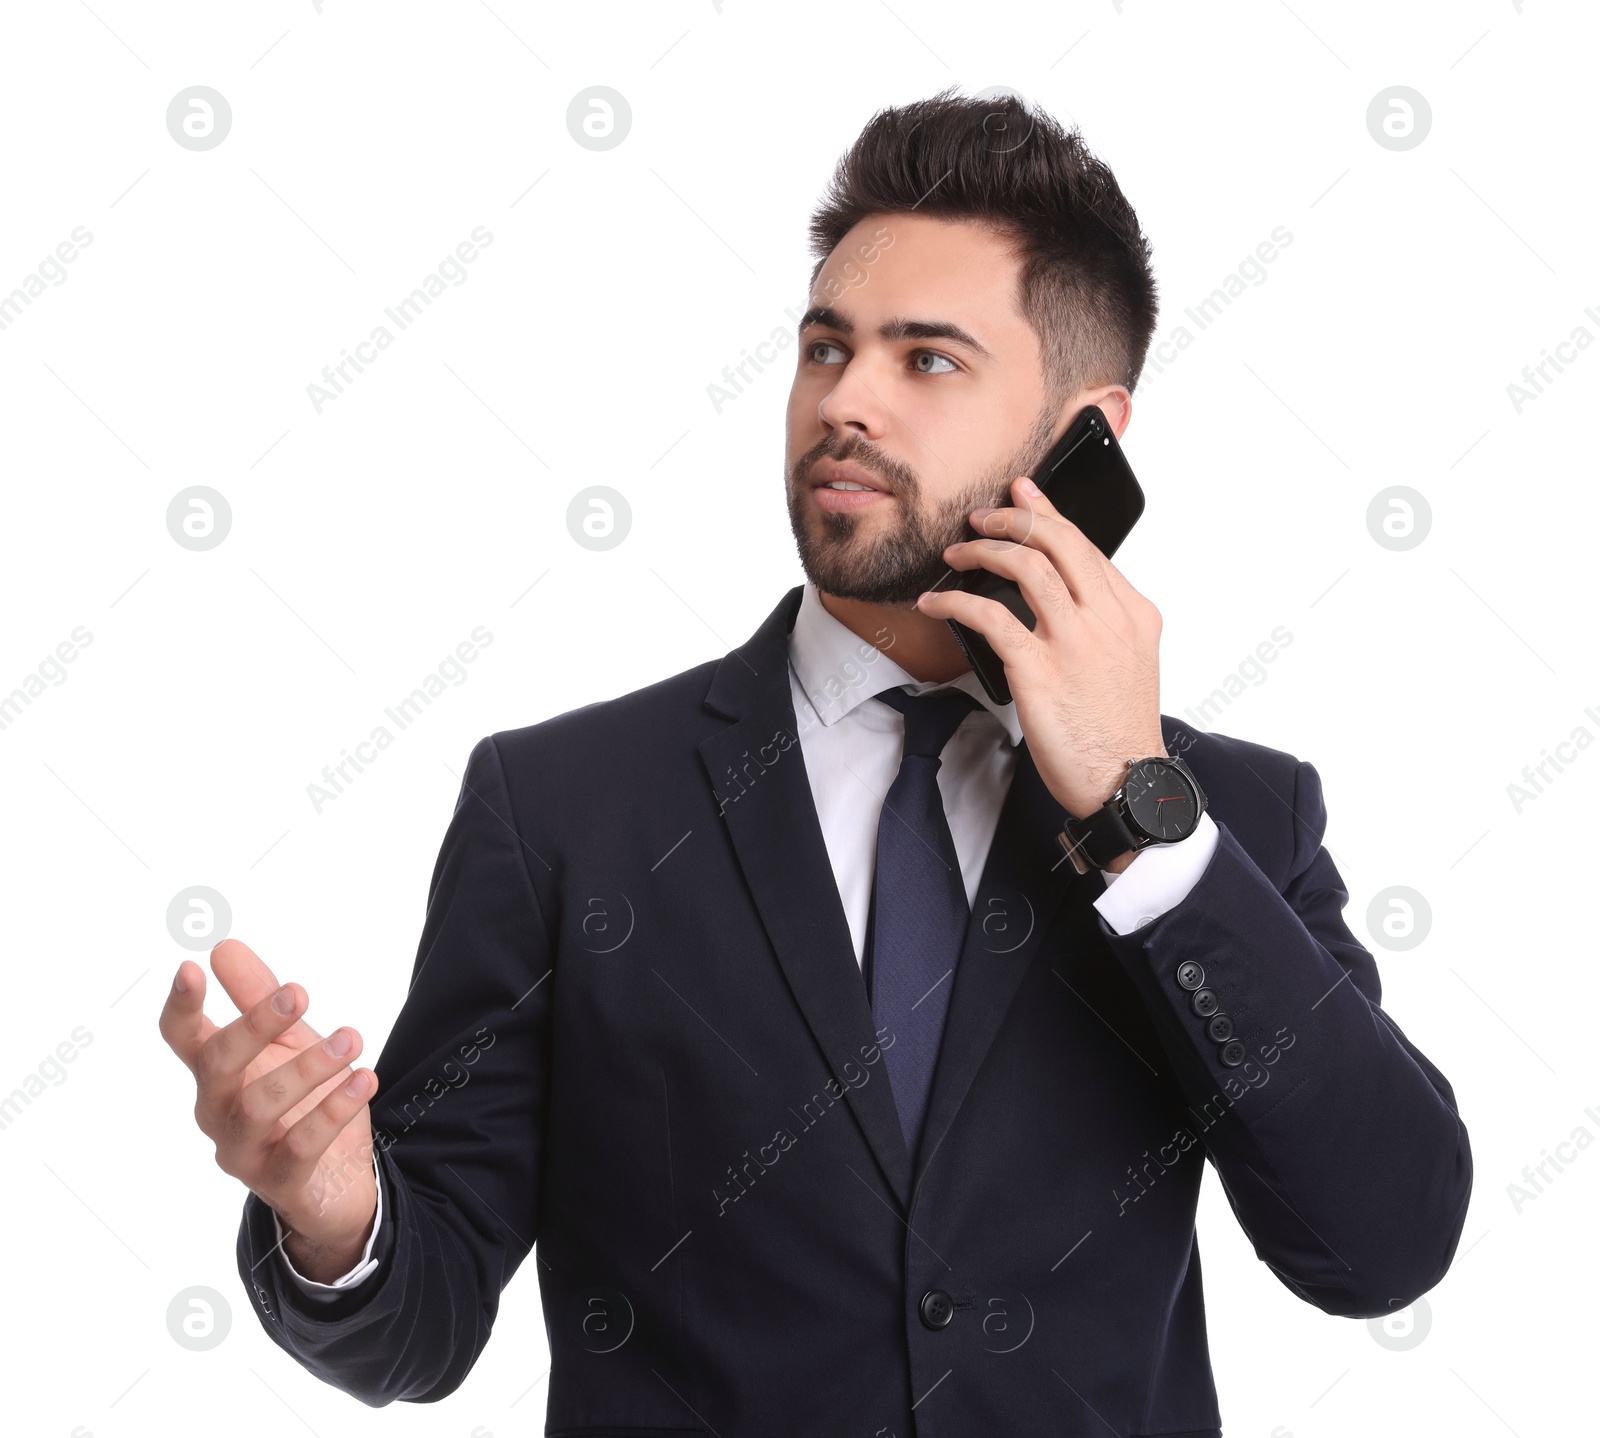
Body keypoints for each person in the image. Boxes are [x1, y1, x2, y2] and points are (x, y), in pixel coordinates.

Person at [159, 88, 1471, 1435]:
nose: (845, 401)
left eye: (929, 361)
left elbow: (1382, 1244)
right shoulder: (562, 810)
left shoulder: (1230, 818)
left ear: (1088, 435)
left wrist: (1147, 822)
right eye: (826, 348)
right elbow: (420, 1326)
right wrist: (333, 1210)